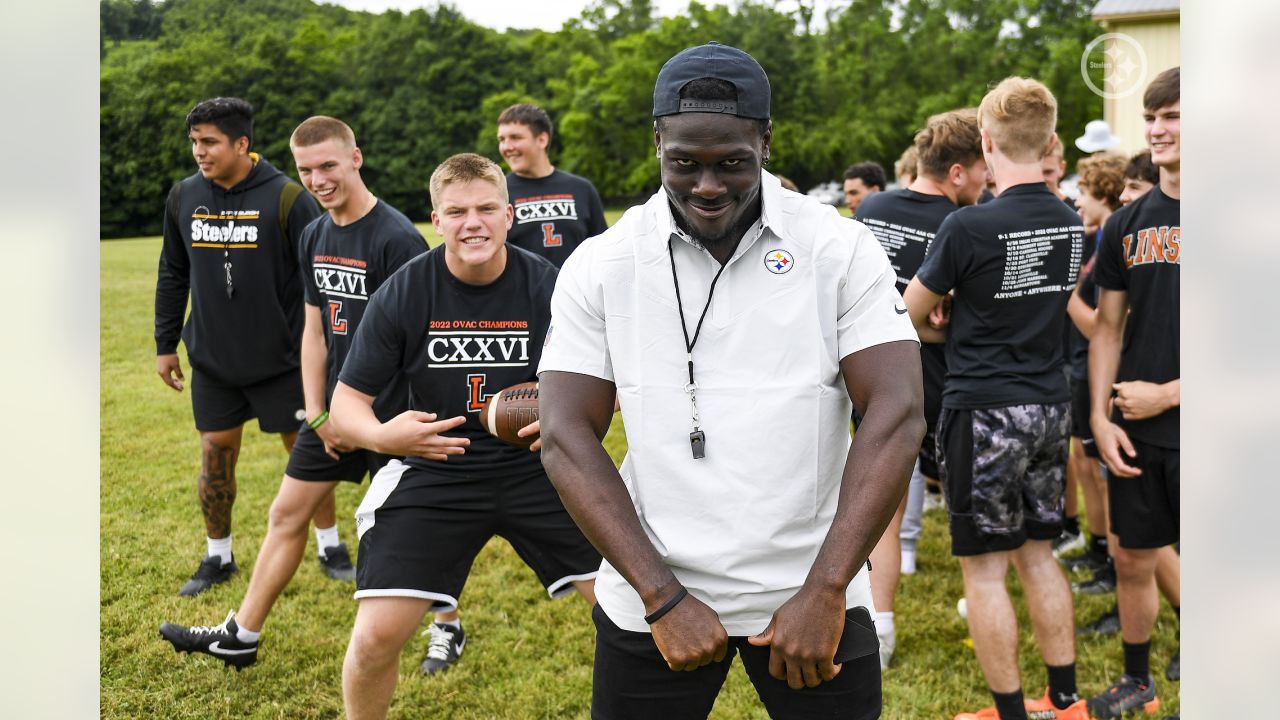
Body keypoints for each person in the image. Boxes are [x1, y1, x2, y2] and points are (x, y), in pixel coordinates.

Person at [538, 42, 924, 720]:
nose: (708, 185)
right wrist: (662, 598)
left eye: (732, 163)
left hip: (813, 592)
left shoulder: (838, 246)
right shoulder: (604, 261)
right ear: (657, 140)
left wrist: (829, 588)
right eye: (684, 162)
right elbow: (566, 433)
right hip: (654, 596)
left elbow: (896, 408)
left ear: (766, 142)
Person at [329, 153, 600, 720]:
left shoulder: (551, 286)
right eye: (456, 212)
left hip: (541, 469)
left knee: (632, 614)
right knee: (377, 637)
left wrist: (561, 420)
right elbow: (344, 407)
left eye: (484, 210)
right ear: (435, 219)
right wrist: (385, 437)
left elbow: (602, 388)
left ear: (509, 214)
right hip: (434, 469)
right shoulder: (405, 292)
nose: (471, 223)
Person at [158, 116, 428, 668]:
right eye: (306, 170)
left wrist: (375, 425)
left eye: (328, 165)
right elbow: (314, 330)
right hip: (332, 411)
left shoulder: (397, 239)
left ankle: (448, 625)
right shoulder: (314, 233)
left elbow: (420, 349)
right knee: (285, 515)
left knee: (413, 526)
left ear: (356, 158)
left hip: (391, 417)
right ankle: (242, 635)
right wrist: (318, 411)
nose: (318, 179)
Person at [903, 77, 1088, 720]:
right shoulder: (1070, 221)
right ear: (1048, 143)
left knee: (983, 571)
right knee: (1038, 554)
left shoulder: (967, 225)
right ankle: (1065, 700)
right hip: (1048, 405)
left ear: (985, 142)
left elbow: (910, 315)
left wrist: (944, 320)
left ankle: (1011, 713)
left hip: (983, 409)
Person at [154, 97, 323, 596]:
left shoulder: (289, 197)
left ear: (242, 144)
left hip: (283, 361)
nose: (198, 152)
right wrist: (166, 344)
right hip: (214, 360)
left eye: (209, 142)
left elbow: (318, 275)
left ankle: (331, 545)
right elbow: (173, 271)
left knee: (309, 453)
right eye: (194, 142)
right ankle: (218, 557)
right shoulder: (184, 197)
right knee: (215, 456)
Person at [854, 107, 986, 670]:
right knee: (965, 506)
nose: (986, 181)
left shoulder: (871, 209)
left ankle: (880, 626)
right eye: (982, 168)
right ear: (957, 172)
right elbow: (964, 318)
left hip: (875, 378)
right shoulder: (965, 223)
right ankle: (979, 604)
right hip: (945, 381)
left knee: (883, 505)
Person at [1085, 67, 1181, 720]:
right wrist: (1100, 414)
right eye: (1151, 117)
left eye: (1173, 115)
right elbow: (1107, 329)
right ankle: (1138, 678)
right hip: (1134, 430)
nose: (1157, 128)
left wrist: (1171, 394)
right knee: (1131, 558)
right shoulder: (1127, 223)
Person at [498, 103, 608, 268]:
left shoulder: (581, 189)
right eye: (502, 139)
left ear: (542, 139)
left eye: (515, 138)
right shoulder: (497, 193)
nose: (507, 147)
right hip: (522, 293)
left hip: (577, 292)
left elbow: (603, 250)